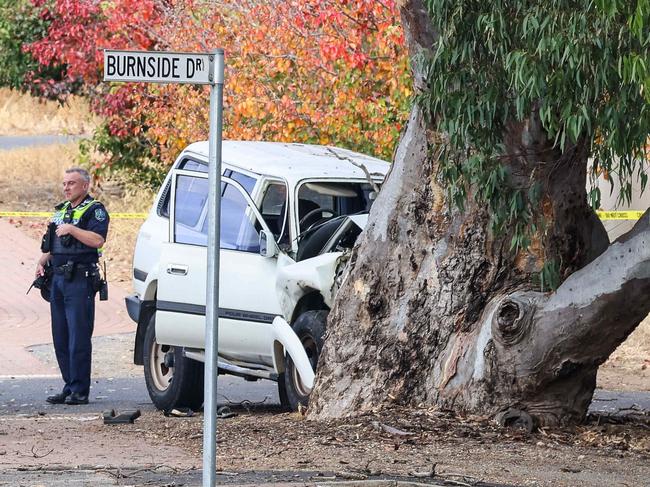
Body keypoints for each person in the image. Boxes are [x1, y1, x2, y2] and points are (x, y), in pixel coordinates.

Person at [36, 167, 109, 405]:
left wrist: (73, 230)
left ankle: (80, 390)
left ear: (85, 186)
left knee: (78, 336)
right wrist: (42, 262)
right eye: (64, 183)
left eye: (72, 184)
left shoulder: (95, 210)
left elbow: (97, 240)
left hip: (79, 279)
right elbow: (52, 244)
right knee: (61, 336)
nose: (66, 188)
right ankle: (69, 385)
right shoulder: (62, 211)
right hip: (57, 279)